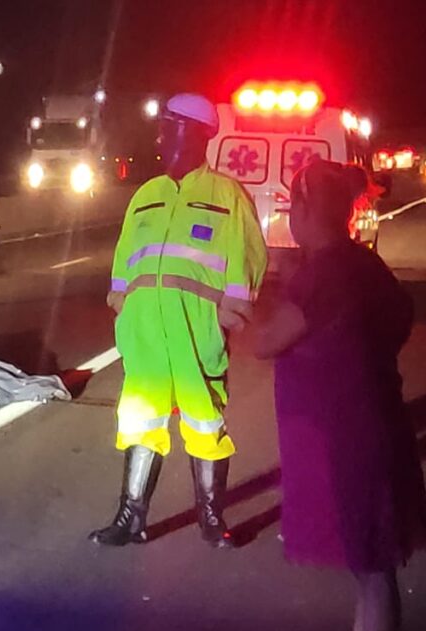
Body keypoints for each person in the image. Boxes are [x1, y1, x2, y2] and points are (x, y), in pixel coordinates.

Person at [254, 159, 426, 631]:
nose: (290, 217)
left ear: (308, 210)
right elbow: (400, 316)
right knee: (364, 555)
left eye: (293, 207)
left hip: (356, 434)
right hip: (372, 421)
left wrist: (234, 312)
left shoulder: (325, 271)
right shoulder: (363, 263)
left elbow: (268, 340)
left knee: (373, 562)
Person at [89, 93, 268, 548]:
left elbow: (249, 259)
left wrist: (228, 315)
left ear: (197, 132)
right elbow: (124, 261)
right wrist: (123, 306)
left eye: (170, 125)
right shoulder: (145, 195)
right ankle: (129, 519)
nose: (160, 133)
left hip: (196, 331)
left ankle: (212, 519)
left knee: (204, 421)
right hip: (147, 334)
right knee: (139, 420)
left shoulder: (227, 194)